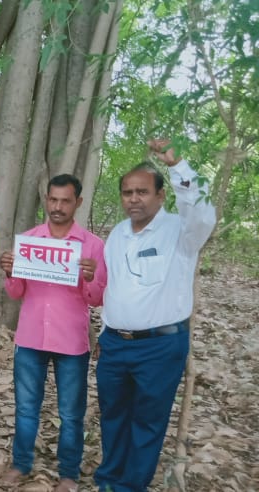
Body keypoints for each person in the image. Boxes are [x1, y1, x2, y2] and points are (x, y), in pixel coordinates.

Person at [93, 139, 215, 492]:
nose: (134, 198)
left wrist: (177, 165)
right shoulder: (117, 235)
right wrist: (105, 333)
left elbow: (203, 212)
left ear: (160, 195)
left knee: (147, 421)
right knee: (113, 417)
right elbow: (117, 289)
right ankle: (109, 480)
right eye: (127, 192)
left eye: (142, 192)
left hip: (160, 346)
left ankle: (130, 486)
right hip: (115, 345)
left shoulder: (181, 231)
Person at [0, 174, 107, 491]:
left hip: (71, 341)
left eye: (65, 200)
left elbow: (96, 298)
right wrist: (10, 270)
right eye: (53, 199)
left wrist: (89, 277)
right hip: (31, 337)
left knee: (71, 414)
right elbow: (16, 292)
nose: (57, 207)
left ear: (78, 203)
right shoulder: (30, 240)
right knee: (26, 407)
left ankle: (69, 474)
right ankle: (21, 464)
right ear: (46, 199)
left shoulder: (92, 246)